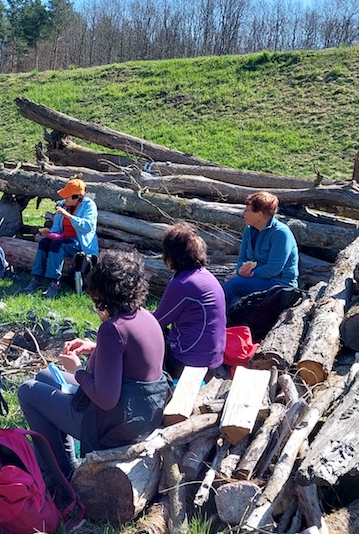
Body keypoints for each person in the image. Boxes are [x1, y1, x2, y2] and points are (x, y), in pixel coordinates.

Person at [17, 251, 169, 480]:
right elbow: (129, 360)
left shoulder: (112, 329)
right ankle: (70, 462)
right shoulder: (146, 317)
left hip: (116, 426)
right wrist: (95, 347)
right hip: (144, 411)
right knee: (45, 374)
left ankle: (62, 477)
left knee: (28, 391)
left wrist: (77, 370)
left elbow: (106, 399)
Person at [153, 223, 226, 379]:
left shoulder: (181, 285)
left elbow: (155, 323)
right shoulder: (205, 276)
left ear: (171, 255)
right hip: (213, 361)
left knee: (141, 339)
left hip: (187, 364)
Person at [22, 177, 98, 299]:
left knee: (57, 245)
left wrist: (69, 216)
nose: (64, 199)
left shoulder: (89, 205)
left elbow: (88, 227)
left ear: (77, 197)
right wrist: (51, 234)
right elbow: (57, 226)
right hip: (64, 238)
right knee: (44, 243)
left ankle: (55, 282)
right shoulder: (63, 205)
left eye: (67, 196)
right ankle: (36, 278)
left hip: (80, 243)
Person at [222, 191, 299, 309]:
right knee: (234, 298)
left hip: (280, 285)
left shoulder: (280, 233)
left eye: (248, 210)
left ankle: (205, 315)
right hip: (258, 280)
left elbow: (273, 269)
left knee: (234, 285)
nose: (244, 213)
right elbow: (242, 258)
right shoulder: (249, 230)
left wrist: (246, 276)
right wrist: (239, 271)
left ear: (259, 214)